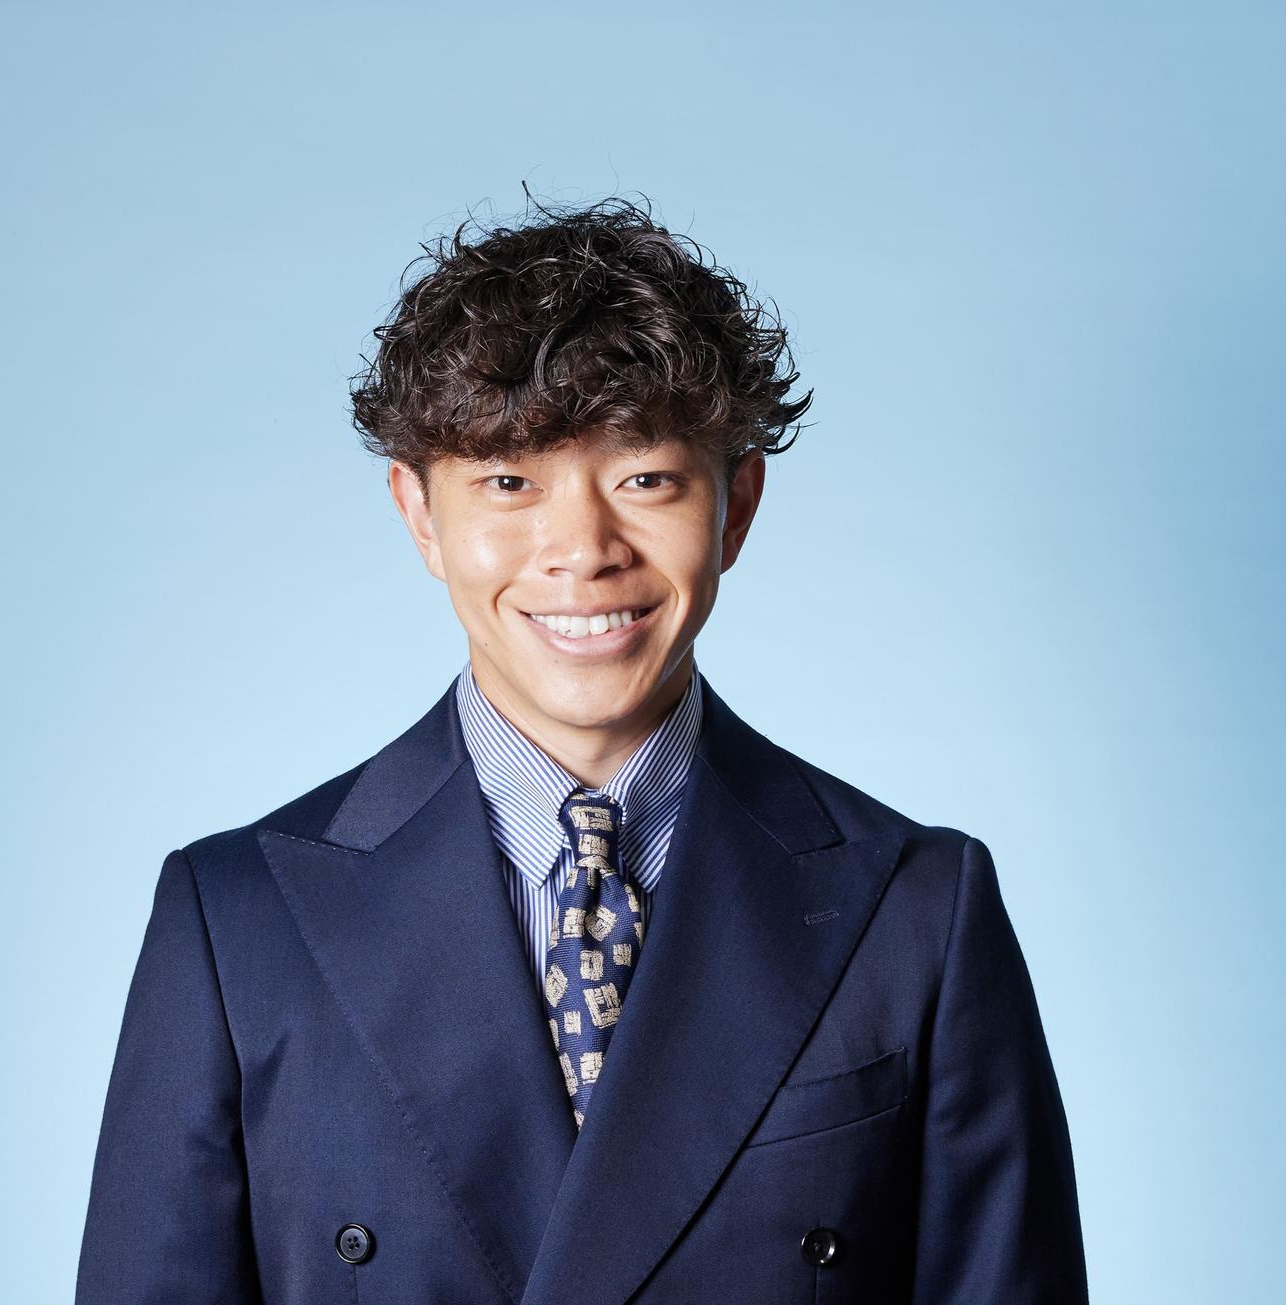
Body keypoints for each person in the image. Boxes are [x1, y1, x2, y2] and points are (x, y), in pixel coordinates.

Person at [75, 195, 1088, 1304]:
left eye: (645, 479)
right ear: (419, 513)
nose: (583, 551)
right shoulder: (237, 920)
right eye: (509, 483)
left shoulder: (917, 908)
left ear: (736, 505)